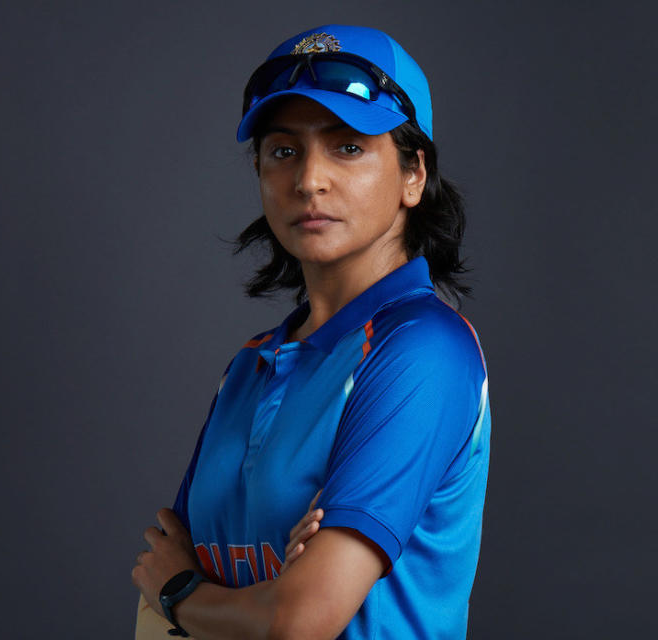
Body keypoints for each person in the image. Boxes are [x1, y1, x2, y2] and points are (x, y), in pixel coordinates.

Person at [132, 24, 491, 639]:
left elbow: (298, 621)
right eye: (283, 150)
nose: (308, 180)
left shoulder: (425, 350)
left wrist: (183, 593)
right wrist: (212, 595)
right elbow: (153, 589)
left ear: (413, 174)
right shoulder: (252, 363)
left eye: (348, 146)